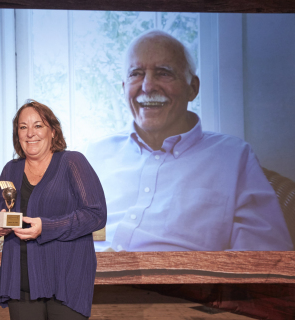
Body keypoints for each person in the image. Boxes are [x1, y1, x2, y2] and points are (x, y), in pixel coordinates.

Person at [84, 30, 293, 252]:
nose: (147, 87)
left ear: (193, 88)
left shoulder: (234, 157)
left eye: (164, 73)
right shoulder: (93, 155)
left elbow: (263, 259)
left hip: (173, 285)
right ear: (124, 88)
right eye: (136, 73)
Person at [0, 100, 107, 320]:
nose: (30, 133)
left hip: (66, 279)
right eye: (23, 127)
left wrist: (47, 227)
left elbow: (96, 214)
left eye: (38, 125)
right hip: (22, 281)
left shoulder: (72, 161)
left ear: (53, 131)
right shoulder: (10, 169)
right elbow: (0, 212)